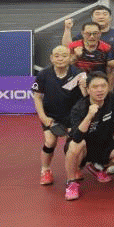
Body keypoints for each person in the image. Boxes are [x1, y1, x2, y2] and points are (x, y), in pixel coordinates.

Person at [63, 71, 114, 200]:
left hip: (104, 146)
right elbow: (76, 137)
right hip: (84, 149)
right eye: (95, 87)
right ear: (88, 89)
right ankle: (71, 183)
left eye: (103, 86)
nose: (100, 90)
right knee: (76, 145)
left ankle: (97, 167)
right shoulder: (80, 107)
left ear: (108, 87)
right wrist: (89, 116)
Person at [33, 45, 86, 186]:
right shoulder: (43, 74)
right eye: (57, 56)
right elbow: (37, 97)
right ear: (51, 58)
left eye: (64, 55)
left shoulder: (78, 73)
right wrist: (43, 117)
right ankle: (45, 170)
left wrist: (84, 86)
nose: (60, 58)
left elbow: (86, 97)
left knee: (76, 143)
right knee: (50, 142)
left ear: (70, 58)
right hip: (51, 115)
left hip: (73, 116)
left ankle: (75, 168)